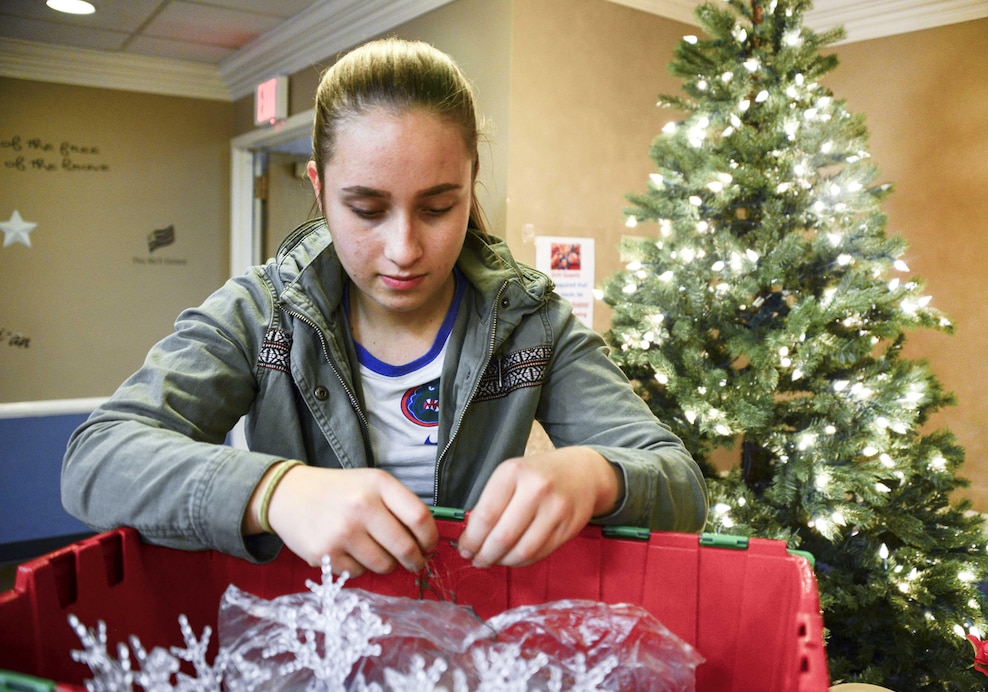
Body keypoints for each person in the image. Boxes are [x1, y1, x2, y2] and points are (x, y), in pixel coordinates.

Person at [61, 38, 707, 579]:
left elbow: (680, 483)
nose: (404, 250)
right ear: (319, 186)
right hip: (306, 630)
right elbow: (97, 457)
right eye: (366, 210)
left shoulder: (531, 319)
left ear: (471, 182)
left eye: (437, 207)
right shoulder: (261, 315)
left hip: (465, 638)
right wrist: (275, 490)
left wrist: (597, 476)